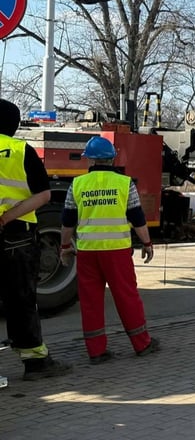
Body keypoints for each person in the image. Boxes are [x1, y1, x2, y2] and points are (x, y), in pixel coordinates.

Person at [59, 136, 159, 364]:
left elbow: (67, 222)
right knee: (127, 297)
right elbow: (137, 218)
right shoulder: (125, 184)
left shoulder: (77, 185)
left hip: (87, 252)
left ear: (90, 160)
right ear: (112, 159)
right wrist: (147, 243)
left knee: (91, 301)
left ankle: (96, 351)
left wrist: (65, 247)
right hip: (117, 252)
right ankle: (142, 343)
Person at [0, 99, 73, 381]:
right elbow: (43, 195)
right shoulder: (20, 151)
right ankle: (35, 363)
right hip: (14, 237)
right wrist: (6, 218)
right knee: (20, 300)